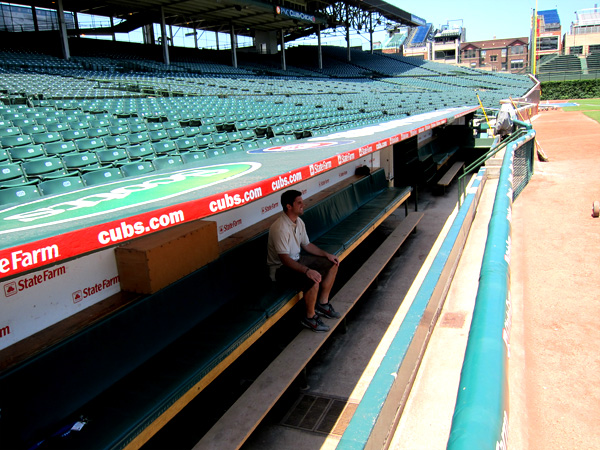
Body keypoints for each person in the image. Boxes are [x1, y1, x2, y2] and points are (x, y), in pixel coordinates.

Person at [267, 189, 340, 332]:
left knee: (333, 264)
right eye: (299, 203)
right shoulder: (280, 227)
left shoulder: (298, 221)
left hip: (297, 259)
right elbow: (285, 259)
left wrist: (326, 255)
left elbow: (307, 245)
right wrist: (307, 271)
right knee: (313, 279)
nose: (303, 205)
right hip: (281, 269)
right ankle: (310, 317)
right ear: (289, 206)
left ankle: (323, 304)